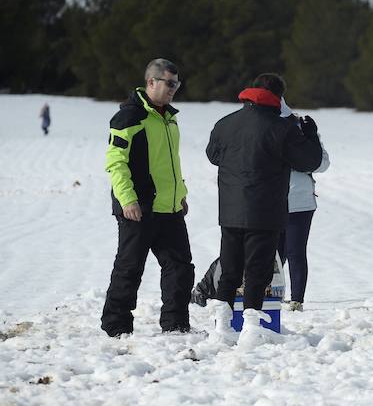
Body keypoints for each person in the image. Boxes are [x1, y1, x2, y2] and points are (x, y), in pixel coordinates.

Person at [205, 73, 323, 347]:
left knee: (230, 267)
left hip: (231, 210)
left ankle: (222, 327)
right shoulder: (282, 129)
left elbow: (213, 155)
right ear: (278, 97)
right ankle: (250, 328)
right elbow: (310, 160)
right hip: (265, 212)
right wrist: (310, 135)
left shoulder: (225, 124)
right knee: (257, 271)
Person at [100, 58, 194, 337]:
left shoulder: (168, 117)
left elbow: (170, 163)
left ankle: (176, 325)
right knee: (130, 268)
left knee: (180, 268)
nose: (174, 89)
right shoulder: (130, 117)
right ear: (151, 82)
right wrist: (127, 200)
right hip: (138, 208)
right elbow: (115, 162)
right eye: (169, 83)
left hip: (169, 207)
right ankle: (116, 326)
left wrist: (181, 194)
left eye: (177, 84)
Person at [277, 97, 331, 312]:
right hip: (271, 201)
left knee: (295, 251)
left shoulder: (303, 127)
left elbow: (323, 163)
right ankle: (270, 294)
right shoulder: (264, 128)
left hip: (300, 203)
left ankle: (297, 299)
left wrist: (311, 143)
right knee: (274, 253)